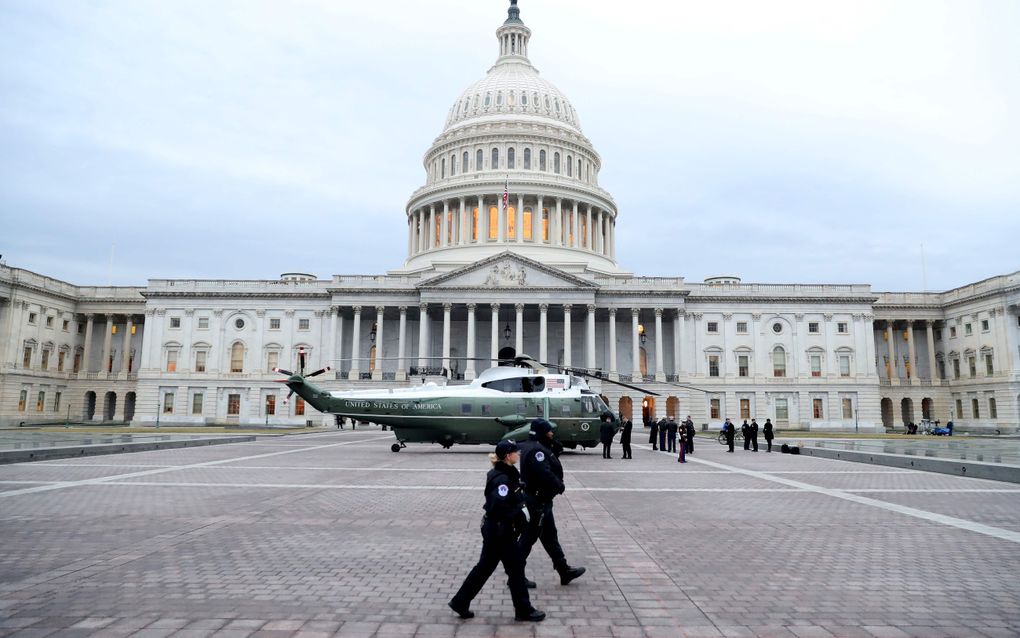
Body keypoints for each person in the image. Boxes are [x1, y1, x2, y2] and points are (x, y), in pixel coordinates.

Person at [449, 440, 545, 622]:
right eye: (515, 452)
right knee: (515, 569)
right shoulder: (502, 478)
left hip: (497, 530)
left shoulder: (506, 473)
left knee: (485, 568)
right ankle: (524, 610)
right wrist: (519, 514)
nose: (518, 453)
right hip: (501, 531)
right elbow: (498, 507)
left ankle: (460, 601)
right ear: (508, 456)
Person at [518, 419, 586, 589]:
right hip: (536, 502)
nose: (552, 434)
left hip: (542, 501)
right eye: (549, 431)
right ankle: (515, 575)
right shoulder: (536, 451)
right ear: (542, 432)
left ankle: (563, 570)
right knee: (528, 539)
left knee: (550, 536)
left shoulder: (534, 446)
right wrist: (559, 485)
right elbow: (544, 474)